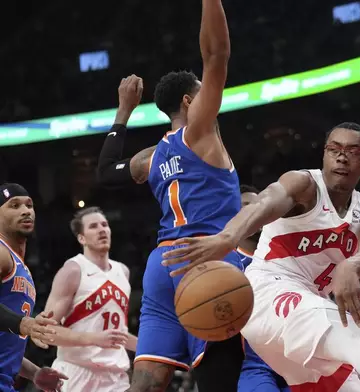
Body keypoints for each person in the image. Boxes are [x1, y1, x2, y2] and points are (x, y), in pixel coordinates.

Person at [163, 123, 360, 392]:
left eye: (353, 150)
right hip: (268, 293)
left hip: (306, 311)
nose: (342, 156)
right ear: (324, 155)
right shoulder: (305, 184)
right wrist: (227, 237)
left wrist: (351, 264)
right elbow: (264, 201)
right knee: (359, 337)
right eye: (334, 149)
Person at [96, 1, 244, 390]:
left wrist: (123, 111)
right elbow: (217, 55)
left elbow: (105, 173)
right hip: (206, 258)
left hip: (162, 265)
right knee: (221, 377)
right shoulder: (200, 132)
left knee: (145, 382)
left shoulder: (151, 156)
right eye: (204, 92)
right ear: (189, 102)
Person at [43, 207, 137, 392]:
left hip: (116, 378)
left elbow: (119, 335)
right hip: (77, 374)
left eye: (105, 225)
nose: (102, 230)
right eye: (93, 226)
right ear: (81, 238)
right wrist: (92, 338)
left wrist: (155, 350)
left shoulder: (122, 272)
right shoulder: (73, 270)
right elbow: (46, 330)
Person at [0, 183, 68, 392]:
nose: (25, 210)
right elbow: (19, 325)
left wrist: (34, 373)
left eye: (29, 205)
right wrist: (25, 324)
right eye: (14, 205)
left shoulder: (20, 267)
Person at [236, 185, 290, 392]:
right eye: (246, 206)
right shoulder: (224, 265)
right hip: (253, 363)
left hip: (296, 357)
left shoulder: (287, 257)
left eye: (260, 205)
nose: (256, 210)